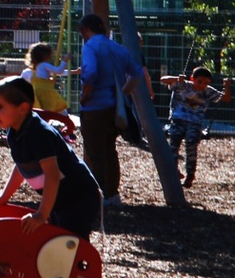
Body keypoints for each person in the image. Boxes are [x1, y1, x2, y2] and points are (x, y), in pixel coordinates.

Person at [0, 73, 105, 278]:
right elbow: (23, 166)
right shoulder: (15, 132)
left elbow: (51, 175)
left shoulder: (38, 133)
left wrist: (42, 214)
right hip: (62, 199)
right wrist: (4, 197)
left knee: (66, 251)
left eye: (0, 107)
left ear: (23, 108)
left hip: (77, 198)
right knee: (53, 249)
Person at [78, 13, 145, 205]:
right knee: (109, 149)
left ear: (84, 30)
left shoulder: (90, 46)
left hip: (94, 106)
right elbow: (136, 73)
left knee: (94, 151)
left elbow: (90, 73)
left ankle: (98, 193)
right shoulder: (117, 47)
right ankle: (112, 193)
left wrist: (85, 95)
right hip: (114, 107)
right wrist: (123, 93)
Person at [158, 66, 232, 189]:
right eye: (200, 81)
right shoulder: (183, 85)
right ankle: (173, 170)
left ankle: (190, 174)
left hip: (195, 123)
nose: (202, 85)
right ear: (192, 78)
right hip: (178, 120)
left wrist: (227, 87)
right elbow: (163, 79)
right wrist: (177, 78)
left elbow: (226, 98)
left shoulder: (208, 91)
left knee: (191, 144)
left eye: (206, 83)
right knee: (173, 144)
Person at [21, 41, 69, 114]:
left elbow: (43, 79)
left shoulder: (35, 68)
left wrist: (49, 80)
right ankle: (67, 120)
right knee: (60, 110)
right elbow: (58, 71)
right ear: (45, 56)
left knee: (42, 111)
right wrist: (65, 60)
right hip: (46, 92)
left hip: (37, 92)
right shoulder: (44, 65)